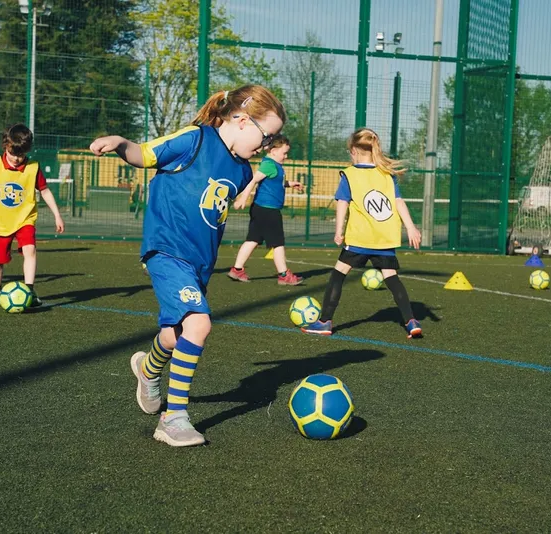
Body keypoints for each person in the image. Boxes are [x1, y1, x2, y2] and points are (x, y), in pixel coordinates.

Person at [89, 84, 285, 447]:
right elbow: (144, 154)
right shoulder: (194, 140)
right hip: (166, 250)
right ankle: (173, 418)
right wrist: (119, 142)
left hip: (199, 263)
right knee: (199, 324)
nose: (267, 145)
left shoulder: (242, 171)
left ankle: (148, 369)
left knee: (175, 335)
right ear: (242, 120)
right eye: (266, 136)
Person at [302, 127, 424, 339]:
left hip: (360, 237)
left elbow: (342, 203)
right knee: (391, 278)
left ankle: (325, 322)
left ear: (355, 151)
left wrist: (339, 230)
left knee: (338, 274)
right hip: (385, 237)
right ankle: (411, 320)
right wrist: (411, 227)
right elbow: (398, 202)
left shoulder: (350, 174)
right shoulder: (386, 174)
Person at [0, 124, 65, 306]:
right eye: (13, 154)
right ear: (6, 146)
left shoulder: (33, 168)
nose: (16, 159)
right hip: (0, 222)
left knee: (30, 250)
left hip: (24, 219)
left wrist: (57, 215)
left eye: (21, 155)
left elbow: (44, 191)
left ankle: (29, 290)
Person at [227, 135, 304, 285]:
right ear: (274, 151)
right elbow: (254, 180)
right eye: (284, 153)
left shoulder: (274, 166)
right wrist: (243, 197)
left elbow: (274, 182)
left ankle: (237, 270)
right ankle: (283, 275)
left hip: (260, 209)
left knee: (253, 240)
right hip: (268, 210)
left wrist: (289, 183)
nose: (286, 156)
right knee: (278, 243)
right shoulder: (269, 165)